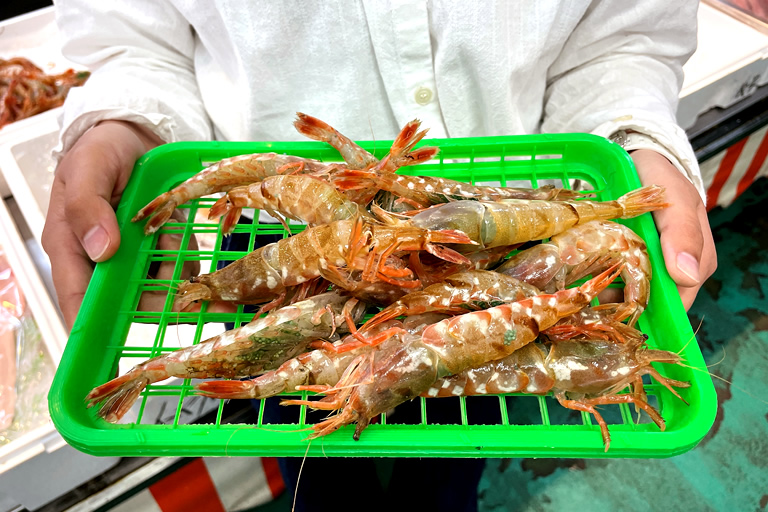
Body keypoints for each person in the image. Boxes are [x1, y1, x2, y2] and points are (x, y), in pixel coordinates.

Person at [42, 2, 717, 510]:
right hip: (284, 230)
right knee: (308, 425)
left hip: (500, 228)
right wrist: (126, 121)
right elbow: (133, 40)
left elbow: (625, 39)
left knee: (457, 442)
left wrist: (634, 134)